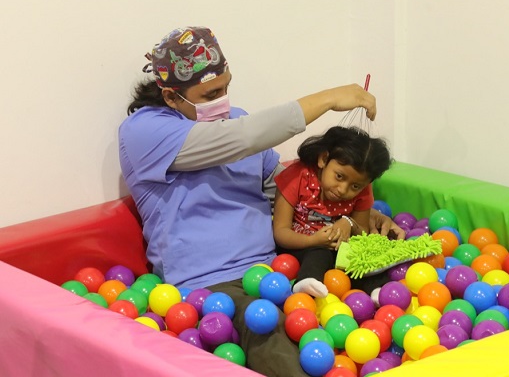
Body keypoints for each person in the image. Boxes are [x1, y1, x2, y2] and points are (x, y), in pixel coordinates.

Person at [118, 26, 402, 377]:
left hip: (279, 263)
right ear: (173, 97)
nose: (224, 100)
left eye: (226, 86)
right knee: (265, 324)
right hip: (213, 281)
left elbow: (283, 192)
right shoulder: (145, 131)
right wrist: (328, 98)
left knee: (372, 290)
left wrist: (359, 214)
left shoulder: (235, 119)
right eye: (211, 93)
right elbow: (238, 139)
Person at [273, 126, 393, 299]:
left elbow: (363, 232)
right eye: (339, 176)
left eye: (355, 186)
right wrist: (312, 240)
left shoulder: (363, 189)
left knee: (362, 251)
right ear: (323, 159)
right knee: (319, 252)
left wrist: (348, 223)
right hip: (299, 245)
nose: (343, 189)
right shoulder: (297, 175)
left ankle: (378, 291)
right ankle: (306, 283)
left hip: (338, 248)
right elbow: (280, 232)